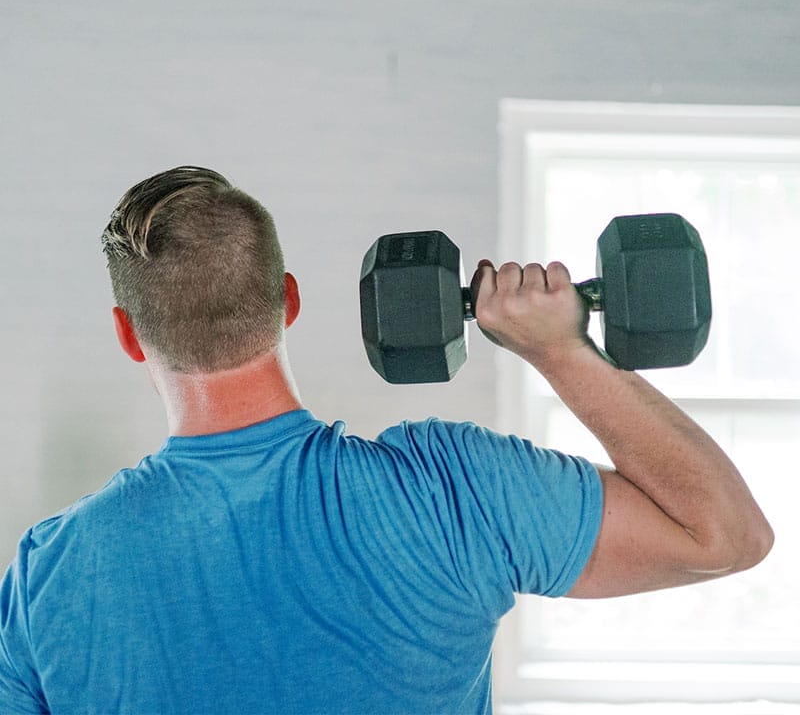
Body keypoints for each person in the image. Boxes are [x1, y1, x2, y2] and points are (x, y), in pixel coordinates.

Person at [0, 166, 773, 715]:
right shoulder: (453, 490)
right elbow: (725, 536)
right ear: (288, 300)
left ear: (129, 336)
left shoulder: (47, 577)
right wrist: (560, 349)